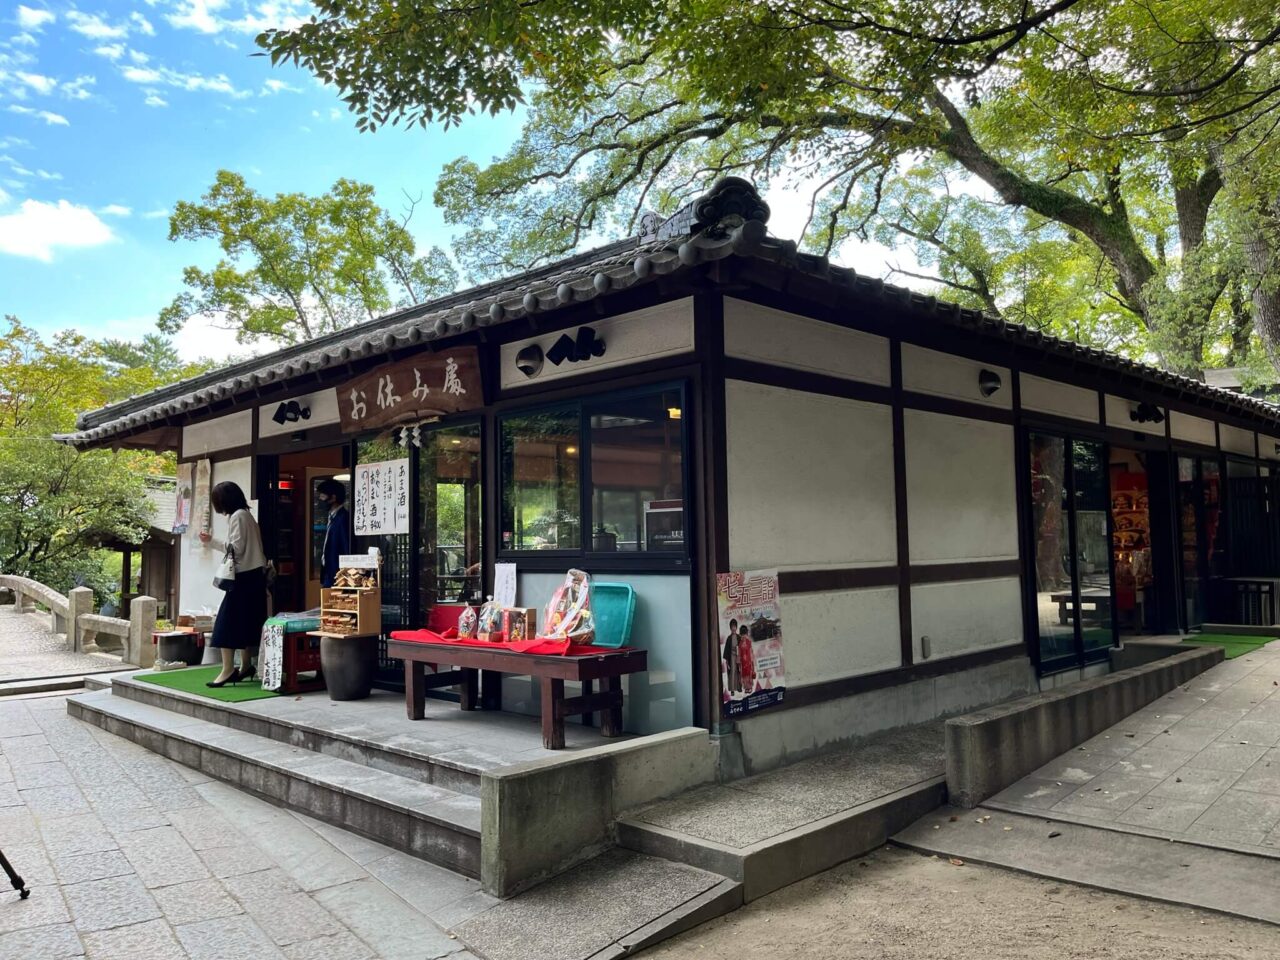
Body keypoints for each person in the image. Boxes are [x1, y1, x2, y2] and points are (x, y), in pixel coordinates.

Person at [207, 481, 268, 687]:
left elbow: (237, 548)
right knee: (247, 620)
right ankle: (245, 665)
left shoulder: (237, 516)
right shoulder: (247, 515)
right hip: (255, 576)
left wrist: (211, 542)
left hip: (242, 577)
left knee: (226, 622)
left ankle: (227, 669)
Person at [317, 478, 350, 589]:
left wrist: (345, 577)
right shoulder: (332, 517)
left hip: (338, 576)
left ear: (333, 498)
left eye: (323, 496)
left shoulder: (343, 518)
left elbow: (346, 548)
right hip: (329, 573)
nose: (320, 499)